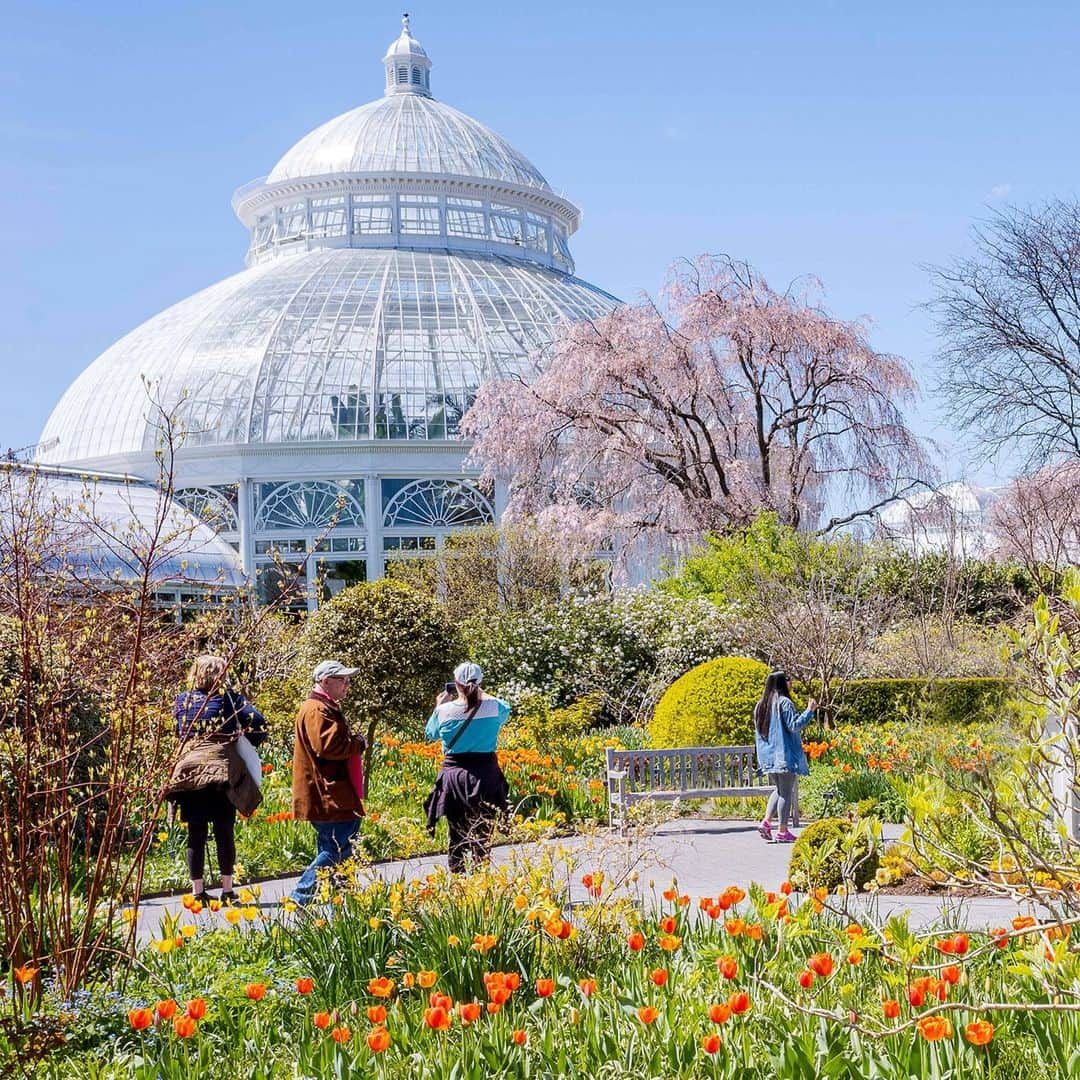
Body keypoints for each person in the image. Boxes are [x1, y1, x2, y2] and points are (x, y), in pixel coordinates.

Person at [167, 655, 267, 903]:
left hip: (188, 773)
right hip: (220, 772)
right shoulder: (229, 699)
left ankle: (197, 891)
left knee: (196, 832)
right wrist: (247, 740)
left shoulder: (183, 700)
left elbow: (179, 732)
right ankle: (227, 890)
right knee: (224, 830)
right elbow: (259, 722)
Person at [290, 660, 365, 905]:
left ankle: (343, 901)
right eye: (342, 679)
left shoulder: (323, 707)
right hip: (329, 794)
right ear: (325, 682)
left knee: (340, 850)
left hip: (332, 793)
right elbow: (329, 747)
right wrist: (358, 743)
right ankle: (300, 897)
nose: (347, 684)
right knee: (334, 849)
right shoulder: (317, 709)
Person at [424, 662, 510, 873]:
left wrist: (438, 705)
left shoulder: (444, 711)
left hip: (454, 776)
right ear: (480, 683)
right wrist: (479, 692)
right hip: (485, 774)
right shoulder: (494, 707)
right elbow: (505, 710)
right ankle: (482, 882)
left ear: (456, 684)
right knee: (482, 834)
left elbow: (430, 734)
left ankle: (459, 884)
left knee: (457, 835)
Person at [753, 670, 816, 843]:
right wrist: (809, 711)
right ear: (781, 683)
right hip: (784, 755)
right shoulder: (784, 703)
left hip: (768, 756)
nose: (791, 683)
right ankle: (782, 831)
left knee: (780, 790)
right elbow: (794, 726)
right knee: (786, 793)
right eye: (788, 680)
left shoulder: (761, 705)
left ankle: (766, 822)